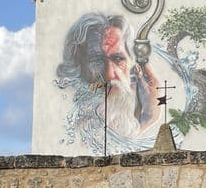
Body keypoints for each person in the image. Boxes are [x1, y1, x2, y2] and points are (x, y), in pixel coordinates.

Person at [57, 13, 161, 141]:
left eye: (118, 59)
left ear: (133, 67)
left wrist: (149, 117)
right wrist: (148, 120)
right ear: (78, 68)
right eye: (96, 61)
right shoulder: (70, 131)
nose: (109, 75)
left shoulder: (125, 126)